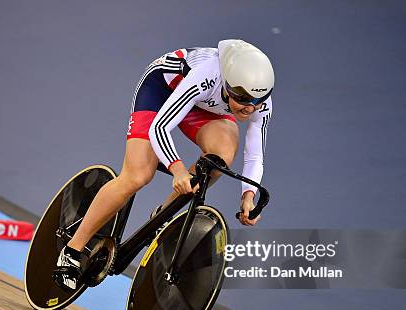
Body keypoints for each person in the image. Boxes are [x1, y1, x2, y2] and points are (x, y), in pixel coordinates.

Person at [55, 39, 274, 290]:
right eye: (244, 100)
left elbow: (255, 154)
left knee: (218, 159)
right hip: (161, 91)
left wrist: (248, 196)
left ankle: (162, 215)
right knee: (137, 175)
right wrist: (177, 169)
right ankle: (72, 250)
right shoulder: (206, 76)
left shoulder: (257, 99)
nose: (251, 109)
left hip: (203, 104)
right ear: (229, 86)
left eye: (258, 101)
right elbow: (160, 126)